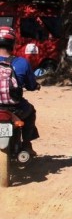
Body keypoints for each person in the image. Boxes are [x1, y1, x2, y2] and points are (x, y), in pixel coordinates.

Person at [0, 26, 41, 155]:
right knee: (31, 111)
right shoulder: (22, 63)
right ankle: (27, 144)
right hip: (16, 108)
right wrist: (35, 86)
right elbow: (31, 85)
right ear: (13, 43)